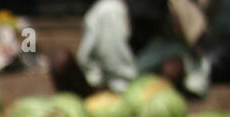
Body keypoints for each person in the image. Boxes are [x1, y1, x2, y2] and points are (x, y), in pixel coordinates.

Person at [52, 0, 217, 97]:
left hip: (143, 94)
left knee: (174, 67)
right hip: (97, 90)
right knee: (61, 59)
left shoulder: (169, 32)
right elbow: (95, 69)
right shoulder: (109, 14)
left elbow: (196, 80)